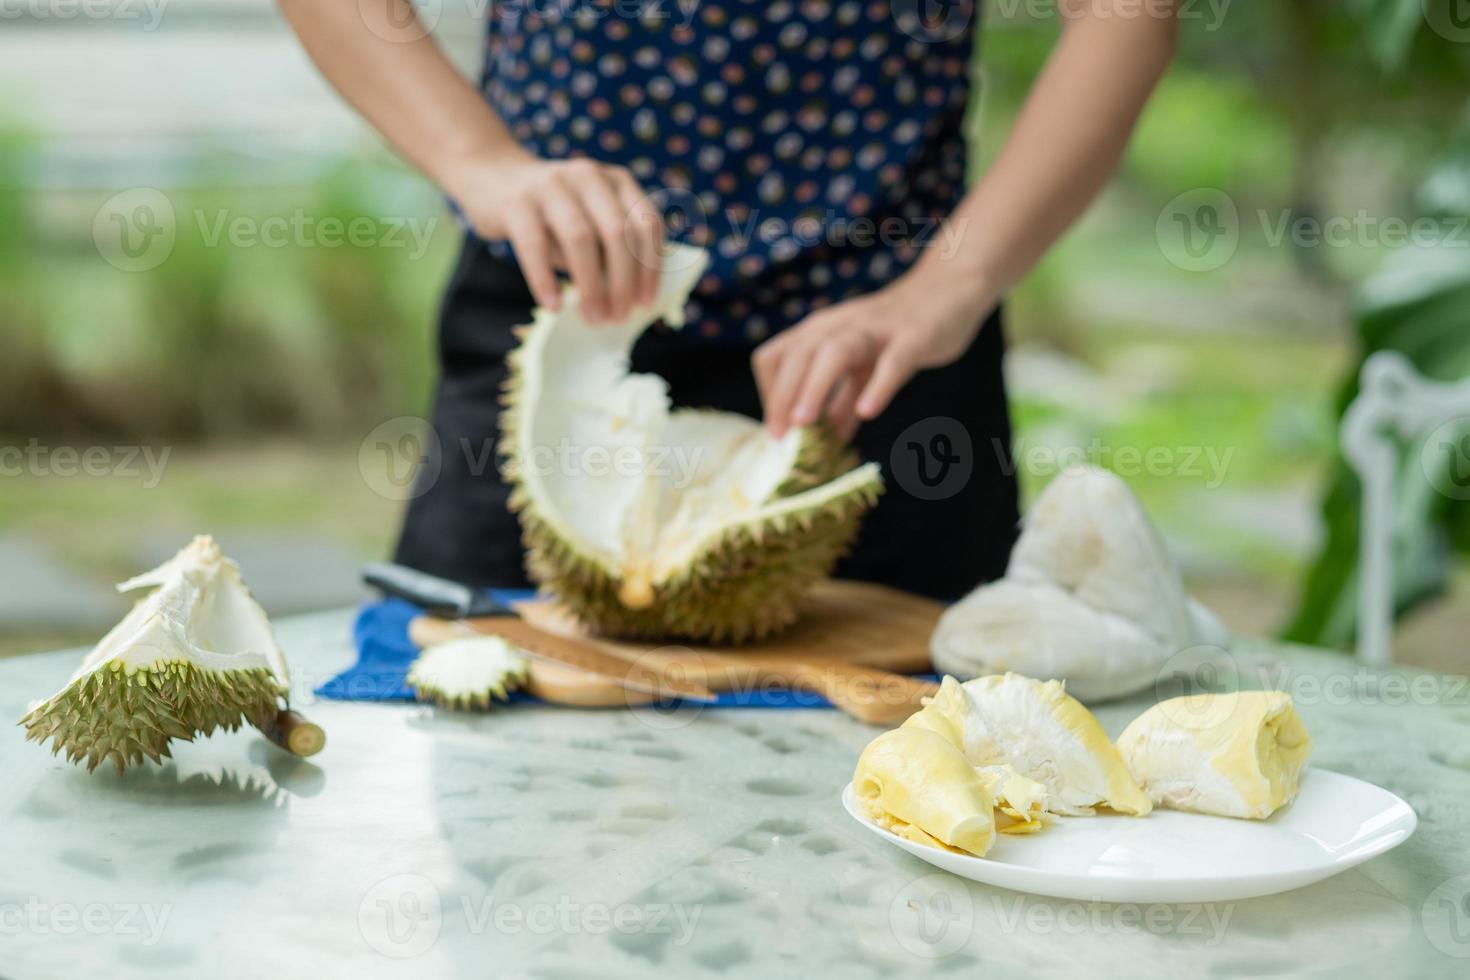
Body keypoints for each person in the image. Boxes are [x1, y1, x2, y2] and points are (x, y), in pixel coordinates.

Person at [279, 0, 1179, 600]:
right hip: (561, 318)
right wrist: (480, 160)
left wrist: (951, 284)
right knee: (478, 734)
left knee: (908, 797)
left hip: (885, 344)